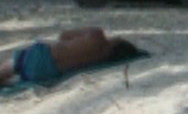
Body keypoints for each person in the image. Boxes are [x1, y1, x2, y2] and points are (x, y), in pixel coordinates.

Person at [1, 28, 141, 85]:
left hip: (41, 56)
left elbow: (64, 35)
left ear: (118, 42)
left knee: (8, 67)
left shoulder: (97, 35)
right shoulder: (100, 61)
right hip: (48, 73)